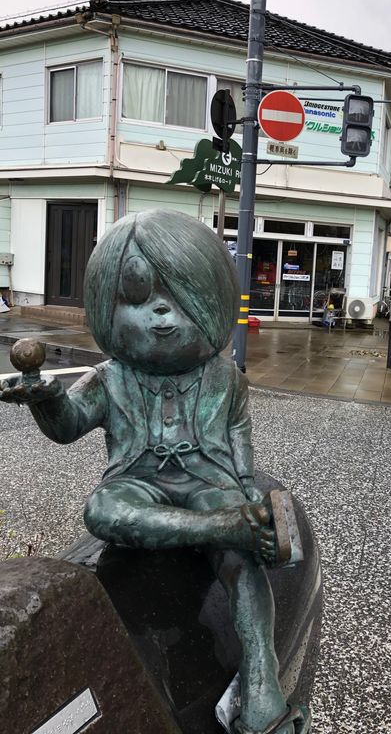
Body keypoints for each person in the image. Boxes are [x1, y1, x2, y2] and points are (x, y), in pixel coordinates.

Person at [0, 210, 308, 734]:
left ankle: (261, 674)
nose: (162, 312)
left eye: (182, 296)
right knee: (103, 508)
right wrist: (47, 399)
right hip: (136, 483)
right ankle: (226, 530)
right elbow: (69, 426)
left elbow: (239, 450)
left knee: (242, 566)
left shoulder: (224, 379)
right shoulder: (111, 378)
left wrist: (245, 494)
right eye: (138, 296)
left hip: (208, 483)